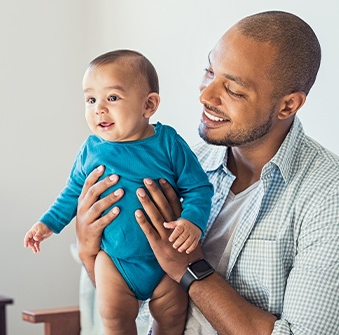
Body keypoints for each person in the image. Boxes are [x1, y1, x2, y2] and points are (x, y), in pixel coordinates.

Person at [75, 10, 339, 335]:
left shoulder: (328, 196)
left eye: (234, 90)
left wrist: (191, 270)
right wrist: (90, 252)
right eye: (209, 70)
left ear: (288, 105)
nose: (205, 96)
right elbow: (137, 306)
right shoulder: (180, 165)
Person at [23, 50, 214, 334]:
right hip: (114, 262)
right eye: (91, 99)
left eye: (112, 97)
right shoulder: (91, 149)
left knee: (172, 317)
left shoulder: (168, 143)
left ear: (148, 105)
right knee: (114, 318)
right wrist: (48, 223)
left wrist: (192, 222)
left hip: (166, 262)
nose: (99, 108)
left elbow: (199, 187)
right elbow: (72, 193)